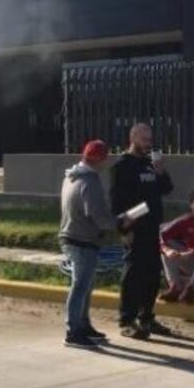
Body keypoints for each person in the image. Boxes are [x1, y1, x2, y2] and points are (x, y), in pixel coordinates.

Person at [59, 140, 136, 348]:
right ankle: (73, 331)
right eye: (105, 158)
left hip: (73, 236)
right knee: (81, 286)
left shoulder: (72, 176)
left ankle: (82, 326)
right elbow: (99, 217)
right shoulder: (90, 181)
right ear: (101, 159)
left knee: (84, 286)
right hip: (83, 240)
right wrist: (121, 224)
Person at [112, 122, 174, 339]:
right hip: (134, 227)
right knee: (133, 274)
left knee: (151, 274)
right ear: (133, 138)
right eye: (144, 139)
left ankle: (146, 317)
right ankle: (126, 320)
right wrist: (123, 229)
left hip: (152, 228)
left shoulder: (150, 164)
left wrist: (161, 171)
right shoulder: (123, 165)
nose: (148, 143)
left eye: (150, 139)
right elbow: (118, 202)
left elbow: (166, 189)